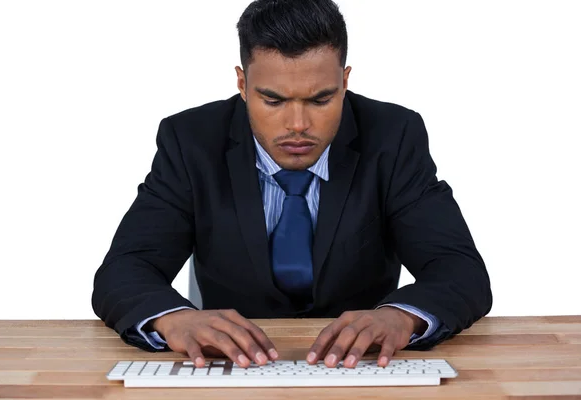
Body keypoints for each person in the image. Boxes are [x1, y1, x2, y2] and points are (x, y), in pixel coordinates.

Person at [92, 0, 492, 370]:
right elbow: (127, 267)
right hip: (229, 372)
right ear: (242, 84)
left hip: (365, 370)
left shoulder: (394, 136)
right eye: (273, 100)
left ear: (345, 81)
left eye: (320, 100)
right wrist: (173, 318)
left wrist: (401, 316)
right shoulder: (190, 140)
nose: (298, 125)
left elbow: (459, 269)